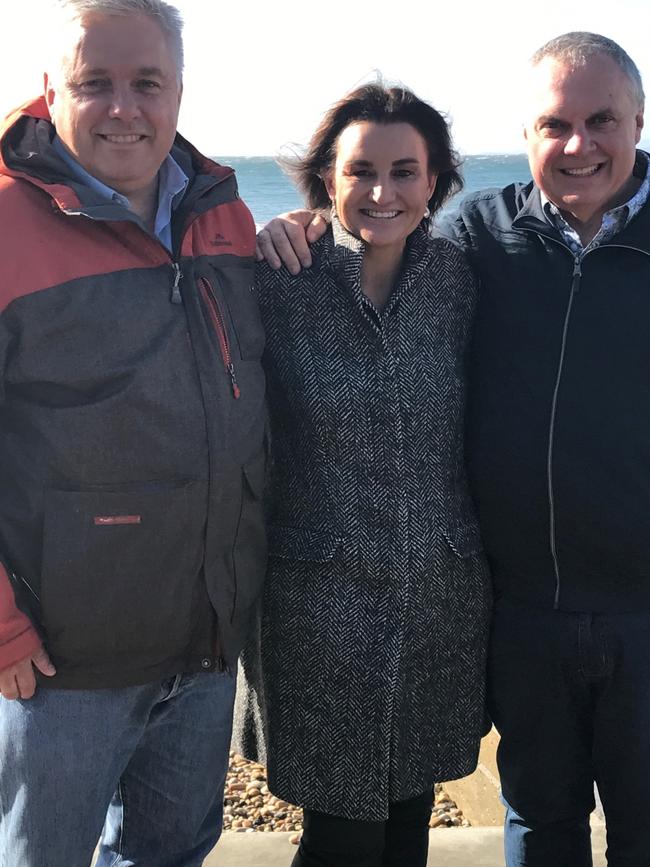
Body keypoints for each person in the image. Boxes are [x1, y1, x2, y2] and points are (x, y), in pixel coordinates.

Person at [257, 31, 649, 867]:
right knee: (403, 835)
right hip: (410, 610)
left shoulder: (464, 261)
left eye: (601, 120)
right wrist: (287, 226)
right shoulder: (308, 274)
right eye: (554, 125)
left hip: (533, 604)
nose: (578, 145)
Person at [0, 1, 267, 865]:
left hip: (202, 646)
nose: (124, 107)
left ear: (180, 91)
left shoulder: (223, 213)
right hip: (58, 666)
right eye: (94, 83)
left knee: (172, 851)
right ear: (50, 89)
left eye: (146, 82)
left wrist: (310, 233)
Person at [234, 82, 491, 867]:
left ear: (437, 180)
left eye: (405, 171)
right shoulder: (278, 278)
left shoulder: (460, 281)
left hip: (439, 600)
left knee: (410, 818)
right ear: (327, 179)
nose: (382, 192)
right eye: (361, 171)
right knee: (340, 837)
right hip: (319, 609)